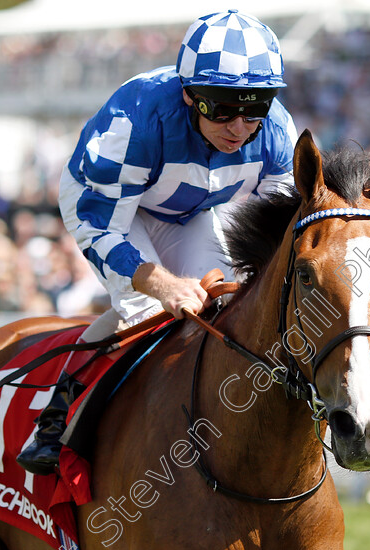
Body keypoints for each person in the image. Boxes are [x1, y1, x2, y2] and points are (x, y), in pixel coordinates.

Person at [17, 9, 298, 475]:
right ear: (189, 95)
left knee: (222, 303)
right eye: (222, 107)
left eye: (255, 106)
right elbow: (102, 228)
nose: (239, 127)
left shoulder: (277, 133)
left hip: (185, 210)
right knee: (146, 311)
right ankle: (56, 413)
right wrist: (162, 285)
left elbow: (280, 234)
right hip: (104, 209)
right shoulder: (133, 125)